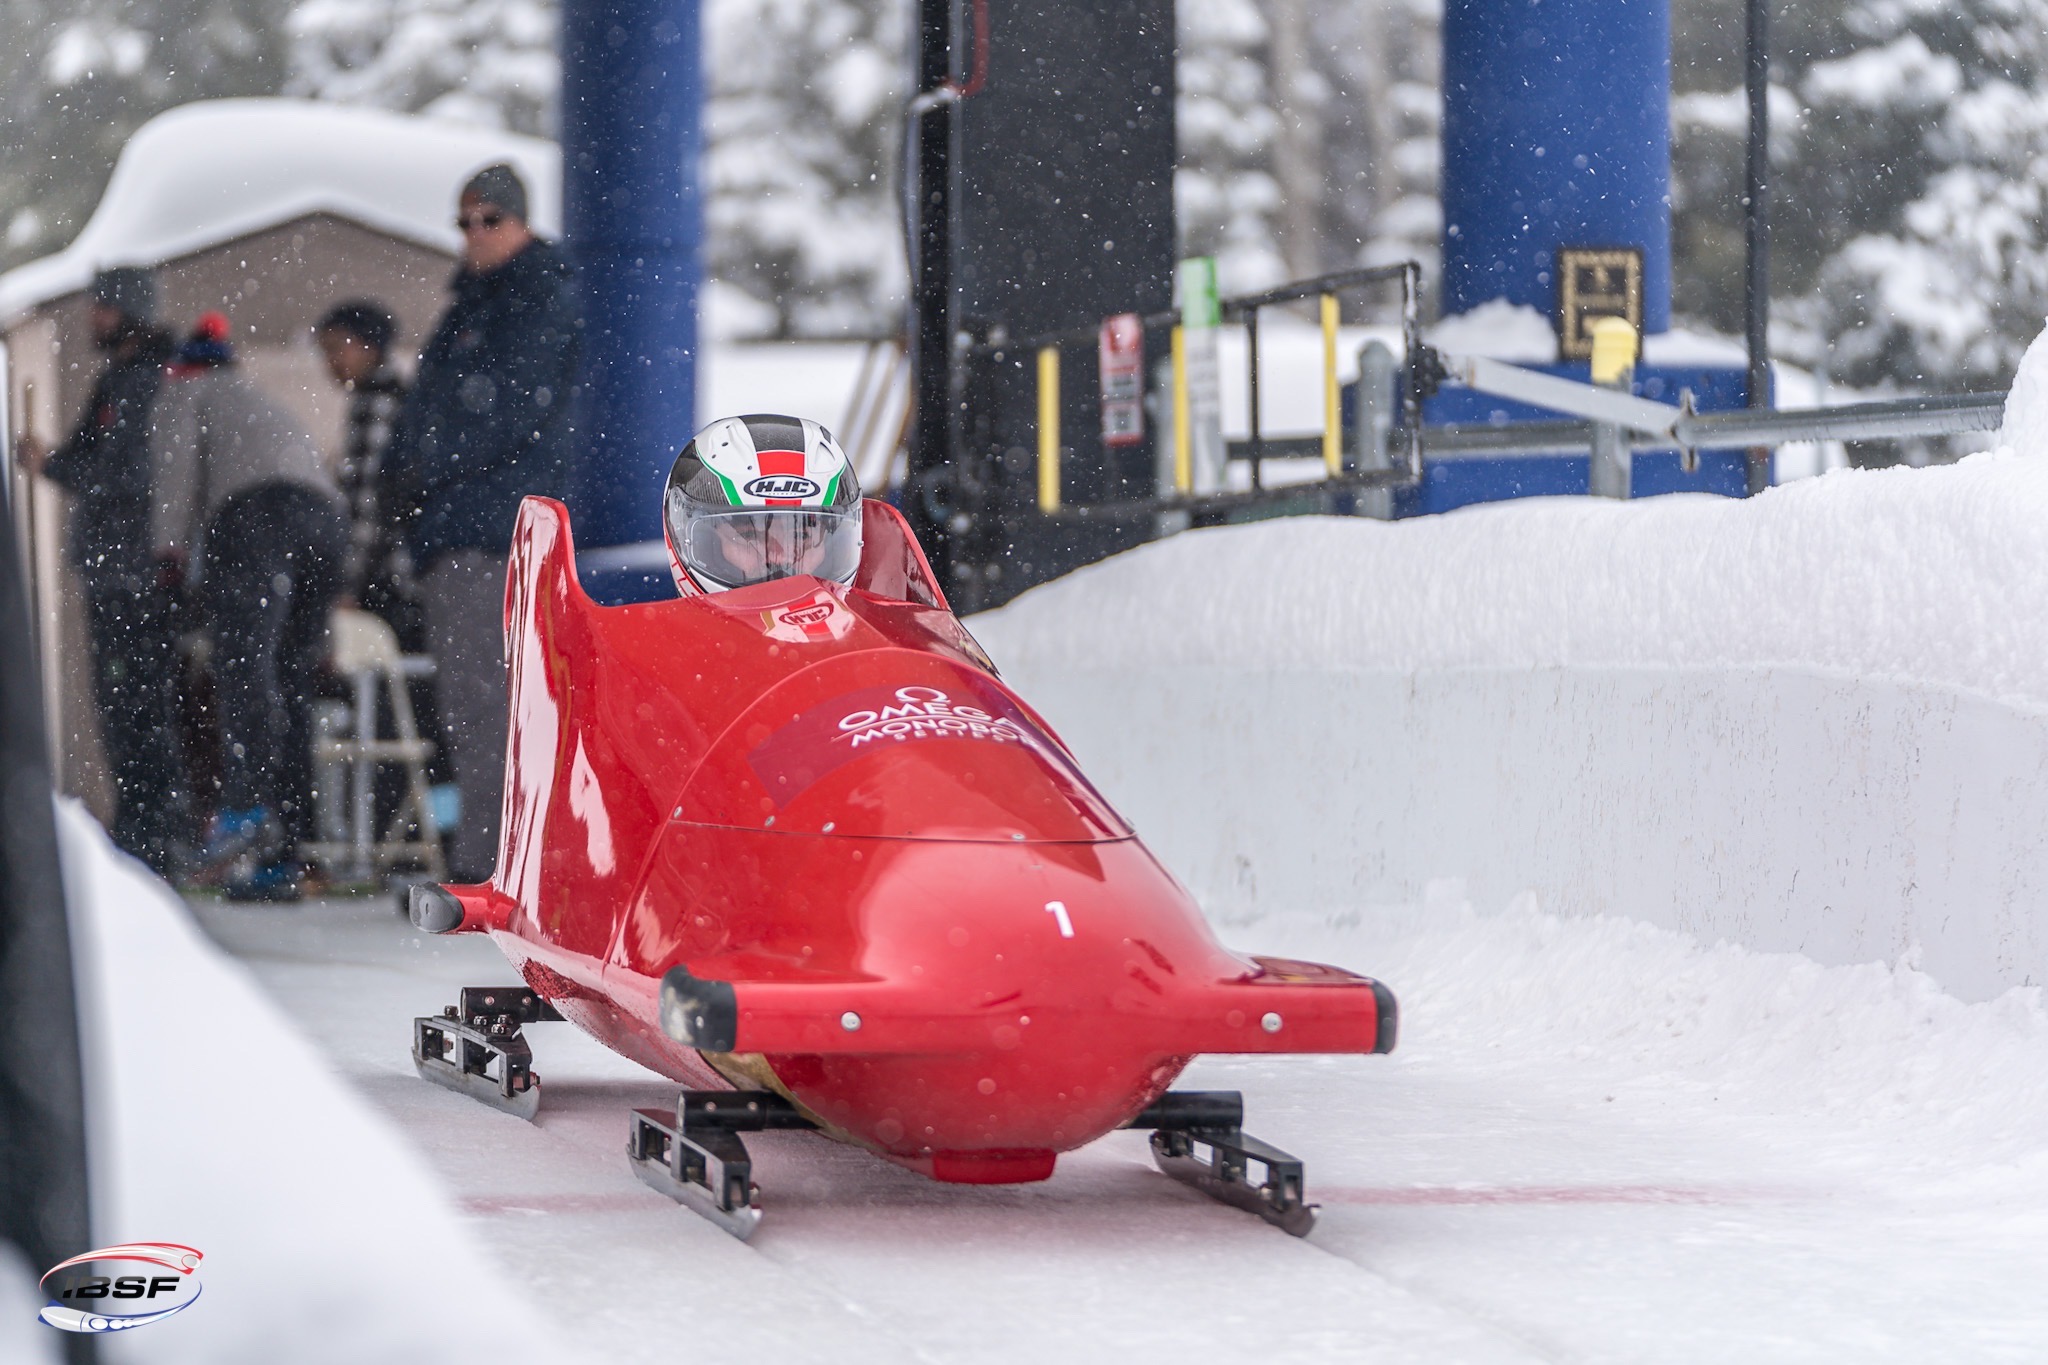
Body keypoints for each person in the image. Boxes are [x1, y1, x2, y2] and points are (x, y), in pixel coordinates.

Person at [384, 163, 579, 883]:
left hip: (490, 533)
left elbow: (500, 412)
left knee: (488, 698)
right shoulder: (477, 304)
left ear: (522, 221)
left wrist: (424, 465)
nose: (473, 234)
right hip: (467, 529)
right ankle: (493, 854)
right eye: (464, 221)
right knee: (474, 700)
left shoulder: (533, 302)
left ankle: (495, 862)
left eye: (488, 219)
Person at [150, 311, 349, 900]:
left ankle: (244, 815)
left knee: (244, 672)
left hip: (254, 520)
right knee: (291, 681)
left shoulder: (185, 393)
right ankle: (290, 847)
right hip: (323, 522)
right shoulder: (260, 400)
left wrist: (170, 553)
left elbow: (175, 470)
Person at [27, 267, 185, 871]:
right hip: (117, 568)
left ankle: (153, 831)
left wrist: (59, 467)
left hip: (133, 571)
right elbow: (98, 460)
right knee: (128, 703)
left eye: (105, 307)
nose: (95, 317)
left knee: (138, 702)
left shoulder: (143, 381)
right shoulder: (122, 377)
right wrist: (55, 463)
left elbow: (125, 473)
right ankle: (143, 826)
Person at [663, 414, 863, 595]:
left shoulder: (875, 631)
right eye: (749, 535)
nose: (780, 559)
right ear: (700, 542)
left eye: (800, 536)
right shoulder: (643, 634)